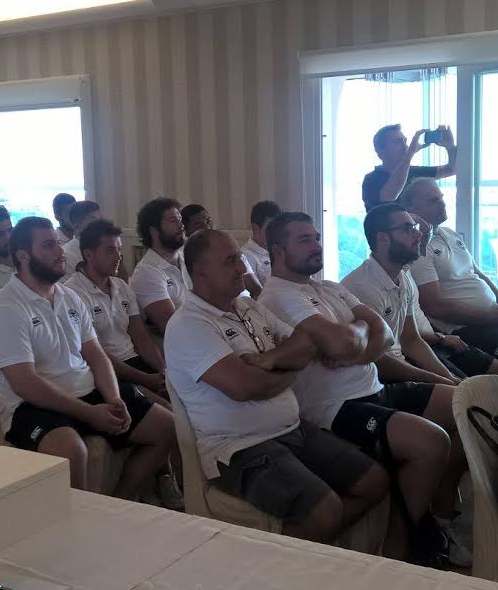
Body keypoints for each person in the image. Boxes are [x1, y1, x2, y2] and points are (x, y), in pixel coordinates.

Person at [261, 212, 467, 564]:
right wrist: (359, 332)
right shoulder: (278, 296)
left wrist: (355, 344)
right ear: (278, 251)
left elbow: (383, 334)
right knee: (431, 441)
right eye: (304, 240)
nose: (316, 245)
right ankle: (399, 548)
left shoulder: (329, 287)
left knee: (463, 405)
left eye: (317, 237)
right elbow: (346, 341)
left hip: (374, 388)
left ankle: (440, 516)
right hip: (335, 408)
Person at [165, 228, 390, 544]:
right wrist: (290, 366)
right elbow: (244, 387)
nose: (242, 268)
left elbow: (308, 343)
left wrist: (269, 361)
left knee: (375, 482)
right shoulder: (188, 324)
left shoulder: (249, 307)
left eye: (240, 259)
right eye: (230, 261)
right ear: (201, 271)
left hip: (292, 429)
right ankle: (278, 559)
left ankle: (309, 548)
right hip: (239, 447)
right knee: (325, 511)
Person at [0, 217, 177, 499]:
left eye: (57, 244)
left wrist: (113, 397)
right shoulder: (6, 307)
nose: (60, 251)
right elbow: (25, 383)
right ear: (24, 256)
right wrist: (89, 413)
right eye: (48, 245)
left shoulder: (68, 297)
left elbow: (96, 355)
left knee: (167, 427)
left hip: (86, 390)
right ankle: (78, 520)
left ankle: (116, 503)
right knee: (71, 451)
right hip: (32, 405)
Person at [67, 218, 185, 509]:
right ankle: (161, 480)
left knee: (187, 398)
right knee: (172, 413)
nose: (118, 255)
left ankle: (175, 481)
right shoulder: (74, 293)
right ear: (89, 254)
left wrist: (162, 370)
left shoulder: (121, 286)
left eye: (119, 249)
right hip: (105, 372)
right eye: (110, 250)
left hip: (135, 363)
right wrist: (145, 379)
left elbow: (140, 335)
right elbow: (95, 354)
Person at [344, 203, 498, 384]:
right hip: (378, 378)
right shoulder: (362, 287)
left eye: (416, 227)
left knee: (475, 386)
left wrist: (450, 379)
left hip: (415, 354)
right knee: (471, 394)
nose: (419, 234)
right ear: (382, 239)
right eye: (408, 229)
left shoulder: (403, 277)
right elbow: (378, 361)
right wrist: (445, 382)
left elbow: (411, 340)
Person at [401, 178, 498, 364]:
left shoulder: (449, 233)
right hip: (467, 327)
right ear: (412, 210)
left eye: (441, 198)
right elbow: (435, 307)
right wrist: (491, 316)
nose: (442, 203)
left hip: (495, 317)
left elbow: (477, 273)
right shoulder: (419, 249)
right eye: (433, 201)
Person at [362, 124, 456, 212]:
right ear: (381, 151)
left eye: (405, 141)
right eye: (398, 142)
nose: (405, 146)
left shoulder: (412, 171)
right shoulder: (371, 179)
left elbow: (452, 169)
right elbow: (390, 197)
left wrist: (450, 146)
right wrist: (410, 153)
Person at [131, 198, 189, 335]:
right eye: (173, 220)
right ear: (154, 230)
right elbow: (173, 327)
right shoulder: (146, 273)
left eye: (180, 219)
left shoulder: (191, 259)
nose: (181, 226)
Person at [181, 202, 262, 297]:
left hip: (244, 302)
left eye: (208, 221)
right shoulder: (185, 260)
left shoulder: (232, 251)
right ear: (186, 231)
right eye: (198, 225)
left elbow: (256, 288)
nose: (207, 227)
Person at [240, 200, 281, 286]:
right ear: (255, 228)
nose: (276, 232)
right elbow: (254, 291)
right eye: (271, 228)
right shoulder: (245, 255)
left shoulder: (280, 250)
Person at [61, 200, 103, 275]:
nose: (101, 225)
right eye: (94, 220)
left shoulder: (105, 247)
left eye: (100, 219)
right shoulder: (66, 256)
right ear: (77, 224)